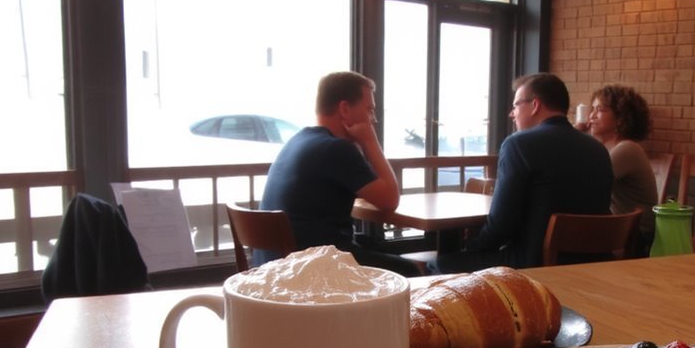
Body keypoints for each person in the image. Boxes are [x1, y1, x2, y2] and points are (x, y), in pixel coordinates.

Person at [432, 73, 613, 272]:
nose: (512, 113)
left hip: (532, 266)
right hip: (592, 266)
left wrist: (471, 247)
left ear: (535, 105)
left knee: (440, 264)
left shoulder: (518, 144)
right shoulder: (598, 149)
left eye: (516, 105)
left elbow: (501, 225)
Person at [255, 71, 421, 277]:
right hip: (312, 270)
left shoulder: (299, 140)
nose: (373, 120)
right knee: (410, 270)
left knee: (374, 247)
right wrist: (370, 141)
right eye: (369, 110)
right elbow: (389, 200)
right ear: (344, 109)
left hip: (276, 268)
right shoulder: (336, 149)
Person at [584, 84, 658, 257]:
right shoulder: (608, 149)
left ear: (620, 117)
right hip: (621, 231)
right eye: (592, 109)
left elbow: (586, 181)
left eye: (600, 110)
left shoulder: (627, 149)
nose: (591, 116)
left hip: (637, 237)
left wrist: (574, 133)